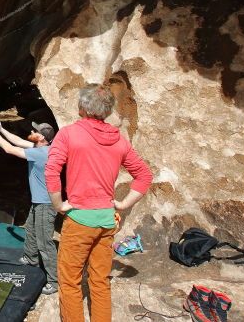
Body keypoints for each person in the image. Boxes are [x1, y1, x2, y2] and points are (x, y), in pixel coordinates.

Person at [45, 84, 152, 322]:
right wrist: (123, 204)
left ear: (83, 107)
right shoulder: (119, 140)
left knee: (70, 282)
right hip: (106, 220)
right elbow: (144, 176)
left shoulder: (69, 134)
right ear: (107, 110)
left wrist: (59, 205)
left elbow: (51, 171)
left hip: (79, 221)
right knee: (100, 281)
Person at [0, 115, 59, 296]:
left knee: (45, 242)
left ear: (41, 138)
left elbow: (9, 149)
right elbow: (18, 141)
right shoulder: (43, 147)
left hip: (45, 204)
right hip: (39, 201)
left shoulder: (40, 154)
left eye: (36, 131)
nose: (32, 131)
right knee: (31, 230)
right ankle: (30, 258)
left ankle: (54, 280)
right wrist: (1, 128)